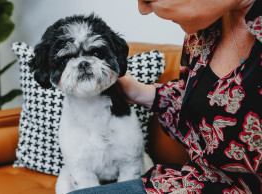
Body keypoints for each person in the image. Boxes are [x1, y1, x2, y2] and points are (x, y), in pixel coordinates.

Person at [69, 0, 262, 193]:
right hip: (198, 182)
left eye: (148, 0)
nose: (142, 10)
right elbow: (204, 113)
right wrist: (144, 94)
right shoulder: (203, 31)